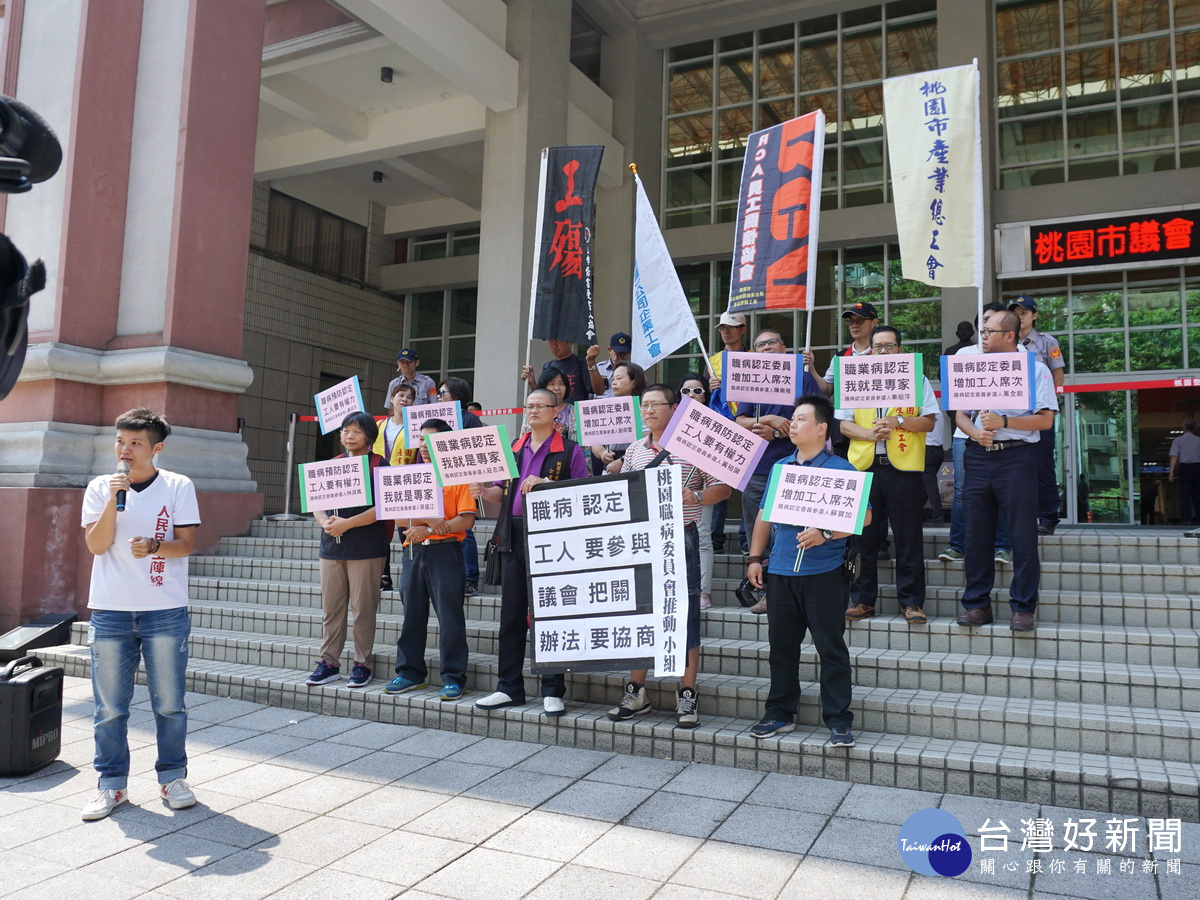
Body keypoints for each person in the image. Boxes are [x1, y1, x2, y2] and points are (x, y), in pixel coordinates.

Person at [80, 408, 201, 820]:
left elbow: (185, 544)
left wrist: (154, 547)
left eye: (135, 443)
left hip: (164, 609)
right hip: (111, 610)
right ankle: (111, 786)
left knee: (169, 703)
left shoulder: (178, 486)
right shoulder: (101, 487)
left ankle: (173, 777)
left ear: (157, 448)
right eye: (120, 442)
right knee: (109, 706)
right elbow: (96, 546)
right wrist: (117, 499)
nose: (125, 450)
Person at [608, 384, 731, 727]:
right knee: (643, 612)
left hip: (682, 538)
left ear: (675, 407)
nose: (647, 411)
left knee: (687, 614)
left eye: (655, 404)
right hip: (642, 541)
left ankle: (687, 694)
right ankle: (636, 690)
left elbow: (724, 488)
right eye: (643, 405)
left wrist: (696, 496)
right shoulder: (635, 449)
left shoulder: (697, 446)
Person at [746, 395, 864, 748]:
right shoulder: (781, 467)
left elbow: (865, 517)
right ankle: (779, 713)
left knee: (831, 648)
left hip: (824, 573)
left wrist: (826, 532)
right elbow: (765, 515)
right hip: (781, 571)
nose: (792, 424)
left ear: (822, 428)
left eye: (800, 419)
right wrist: (754, 558)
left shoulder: (842, 469)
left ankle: (839, 720)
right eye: (792, 420)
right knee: (781, 648)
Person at [472, 388, 589, 715]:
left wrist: (545, 484)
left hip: (553, 541)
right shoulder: (513, 448)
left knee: (549, 614)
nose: (533, 410)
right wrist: (483, 490)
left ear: (556, 412)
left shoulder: (569, 450)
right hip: (512, 536)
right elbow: (501, 493)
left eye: (540, 406)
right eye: (529, 406)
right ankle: (508, 687)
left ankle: (552, 688)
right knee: (510, 617)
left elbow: (583, 493)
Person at [955, 310, 1057, 632]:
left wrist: (1005, 422)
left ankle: (1023, 607)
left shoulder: (1036, 370)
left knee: (1022, 535)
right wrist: (975, 432)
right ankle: (976, 605)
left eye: (988, 332)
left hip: (1017, 458)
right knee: (976, 535)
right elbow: (959, 415)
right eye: (982, 331)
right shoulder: (972, 369)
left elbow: (1045, 420)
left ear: (1009, 335)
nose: (982, 337)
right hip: (978, 456)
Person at [835, 325, 939, 624]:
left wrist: (898, 421)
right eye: (877, 347)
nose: (882, 351)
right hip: (864, 468)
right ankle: (862, 599)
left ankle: (911, 602)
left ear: (900, 350)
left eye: (888, 346)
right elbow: (843, 424)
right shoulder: (853, 377)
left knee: (908, 538)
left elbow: (929, 422)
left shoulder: (916, 378)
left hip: (903, 468)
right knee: (863, 538)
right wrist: (870, 433)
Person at [385, 419, 478, 699]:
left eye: (432, 441)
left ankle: (453, 678)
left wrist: (435, 527)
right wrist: (429, 521)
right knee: (412, 615)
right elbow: (398, 515)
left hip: (445, 552)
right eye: (422, 440)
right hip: (413, 551)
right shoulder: (409, 474)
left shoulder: (458, 476)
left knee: (450, 618)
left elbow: (467, 519)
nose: (424, 446)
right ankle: (409, 673)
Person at [734, 329, 819, 614]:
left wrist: (781, 433)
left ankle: (796, 590)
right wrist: (768, 419)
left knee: (794, 531)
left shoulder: (802, 377)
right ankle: (767, 592)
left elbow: (817, 419)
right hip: (756, 467)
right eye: (760, 344)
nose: (767, 347)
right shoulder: (749, 380)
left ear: (785, 348)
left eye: (772, 342)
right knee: (759, 532)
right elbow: (740, 420)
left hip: (797, 465)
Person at [306, 411, 390, 689]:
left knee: (363, 609)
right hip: (331, 546)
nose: (348, 435)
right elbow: (317, 501)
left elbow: (385, 507)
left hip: (367, 547)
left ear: (369, 437)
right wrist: (326, 523)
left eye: (356, 431)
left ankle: (362, 664)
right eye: (344, 430)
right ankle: (329, 662)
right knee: (332, 609)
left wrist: (348, 524)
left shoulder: (379, 465)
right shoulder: (333, 463)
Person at [938, 302, 1013, 566]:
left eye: (994, 323)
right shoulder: (963, 355)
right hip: (966, 436)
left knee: (1001, 492)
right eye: (985, 323)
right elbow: (955, 404)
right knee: (962, 491)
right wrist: (972, 431)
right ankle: (958, 544)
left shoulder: (1017, 355)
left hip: (1005, 437)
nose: (988, 329)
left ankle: (1002, 546)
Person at [1009, 296, 1065, 535]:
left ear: (1035, 315)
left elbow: (1058, 375)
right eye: (1016, 312)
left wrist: (1048, 405)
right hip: (1012, 416)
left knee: (1043, 466)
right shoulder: (1006, 341)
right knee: (1017, 467)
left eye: (1024, 312)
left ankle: (1048, 517)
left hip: (1038, 414)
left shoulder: (1046, 342)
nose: (1020, 317)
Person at [437, 376, 485, 592]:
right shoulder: (434, 420)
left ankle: (470, 578)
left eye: (442, 393)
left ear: (456, 395)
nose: (438, 397)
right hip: (439, 480)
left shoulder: (469, 419)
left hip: (461, 479)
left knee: (466, 530)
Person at [707, 311, 747, 553]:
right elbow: (703, 398)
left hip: (748, 426)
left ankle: (746, 540)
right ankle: (715, 539)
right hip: (721, 429)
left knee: (748, 488)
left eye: (732, 327)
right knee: (717, 484)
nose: (726, 331)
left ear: (743, 329)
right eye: (723, 327)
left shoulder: (755, 358)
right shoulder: (712, 361)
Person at [374, 383, 419, 591]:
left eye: (409, 398)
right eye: (401, 395)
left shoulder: (416, 428)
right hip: (379, 482)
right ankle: (384, 575)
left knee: (404, 530)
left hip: (404, 484)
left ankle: (410, 575)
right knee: (380, 531)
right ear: (391, 399)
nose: (405, 400)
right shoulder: (379, 425)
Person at [678, 373, 716, 610]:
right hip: (673, 491)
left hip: (703, 490)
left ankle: (704, 592)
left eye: (697, 391)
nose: (691, 395)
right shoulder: (669, 421)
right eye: (685, 391)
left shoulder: (714, 422)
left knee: (702, 538)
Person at [810, 301, 878, 401]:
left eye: (860, 320)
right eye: (851, 321)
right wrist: (811, 368)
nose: (854, 325)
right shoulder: (840, 357)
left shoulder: (882, 355)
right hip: (844, 416)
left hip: (874, 415)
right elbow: (827, 390)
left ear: (874, 322)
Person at [593, 361, 647, 474]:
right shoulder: (607, 407)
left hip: (638, 458)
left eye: (619, 378)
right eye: (613, 379)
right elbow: (595, 440)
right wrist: (602, 453)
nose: (614, 382)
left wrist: (623, 460)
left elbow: (647, 439)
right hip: (611, 460)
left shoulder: (644, 407)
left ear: (634, 381)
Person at [521, 338, 604, 403]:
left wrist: (591, 362)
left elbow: (599, 390)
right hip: (552, 416)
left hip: (576, 416)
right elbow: (542, 396)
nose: (554, 345)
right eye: (551, 341)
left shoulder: (581, 363)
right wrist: (532, 382)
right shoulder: (548, 366)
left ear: (570, 343)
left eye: (558, 341)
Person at [1169, 419, 1200, 526]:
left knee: (1185, 494)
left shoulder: (1178, 440)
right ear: (1194, 428)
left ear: (1184, 427)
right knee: (1198, 494)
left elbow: (1174, 456)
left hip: (1185, 468)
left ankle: (1187, 519)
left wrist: (1171, 471)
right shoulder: (1198, 440)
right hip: (1198, 467)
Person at [536, 368, 580, 442]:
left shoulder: (576, 412)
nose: (557, 388)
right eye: (552, 384)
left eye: (561, 384)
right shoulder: (535, 411)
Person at [923, 409, 947, 523]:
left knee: (929, 484)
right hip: (938, 450)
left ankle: (938, 514)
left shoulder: (922, 412)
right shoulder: (938, 412)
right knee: (925, 484)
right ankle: (917, 512)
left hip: (926, 449)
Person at [595, 331, 633, 398]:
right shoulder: (599, 368)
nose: (620, 357)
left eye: (624, 354)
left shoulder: (633, 371)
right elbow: (590, 394)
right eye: (617, 353)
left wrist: (620, 367)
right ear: (609, 350)